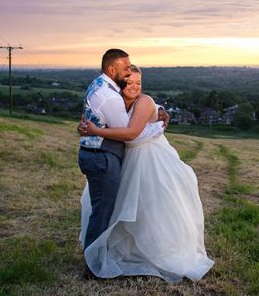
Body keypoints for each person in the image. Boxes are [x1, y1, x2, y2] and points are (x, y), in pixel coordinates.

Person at [79, 65, 214, 283]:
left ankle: (160, 253)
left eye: (138, 83)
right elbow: (100, 117)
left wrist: (96, 131)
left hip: (149, 157)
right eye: (129, 82)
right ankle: (121, 251)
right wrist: (87, 126)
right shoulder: (115, 101)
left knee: (152, 207)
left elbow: (132, 135)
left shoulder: (144, 101)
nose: (134, 87)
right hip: (128, 159)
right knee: (124, 207)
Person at [78, 49, 167, 279]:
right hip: (102, 157)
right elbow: (131, 134)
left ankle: (98, 256)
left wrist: (158, 111)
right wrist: (157, 126)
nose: (129, 73)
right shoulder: (109, 95)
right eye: (126, 70)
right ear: (112, 70)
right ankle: (93, 265)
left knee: (106, 209)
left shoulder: (105, 87)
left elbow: (140, 108)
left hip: (103, 155)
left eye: (136, 78)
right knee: (103, 211)